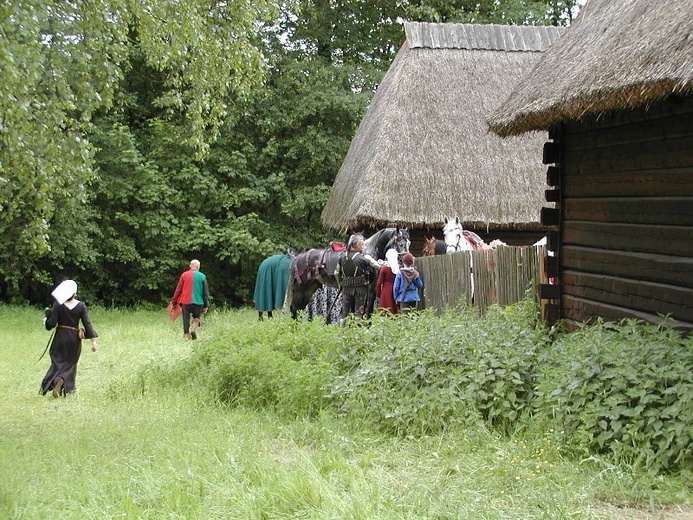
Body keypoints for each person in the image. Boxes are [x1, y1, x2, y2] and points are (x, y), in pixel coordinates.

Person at [40, 279, 98, 398]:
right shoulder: (81, 305)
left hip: (60, 337)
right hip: (74, 339)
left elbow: (51, 325)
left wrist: (46, 320)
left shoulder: (58, 304)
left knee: (57, 361)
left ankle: (57, 380)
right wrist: (93, 342)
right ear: (74, 293)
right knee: (70, 363)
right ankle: (62, 382)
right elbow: (88, 324)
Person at [335, 234, 379, 325]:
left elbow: (336, 273)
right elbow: (378, 267)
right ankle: (357, 332)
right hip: (360, 289)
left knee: (344, 311)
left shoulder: (342, 257)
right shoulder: (362, 258)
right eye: (362, 244)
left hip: (346, 287)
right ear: (356, 245)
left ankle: (341, 331)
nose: (363, 246)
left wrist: (339, 283)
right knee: (359, 311)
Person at [253, 248, 295, 320]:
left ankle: (269, 315)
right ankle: (261, 316)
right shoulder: (289, 265)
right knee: (265, 288)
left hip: (269, 265)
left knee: (269, 288)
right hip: (266, 267)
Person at [171, 259, 209, 339]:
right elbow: (205, 293)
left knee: (186, 318)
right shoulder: (202, 276)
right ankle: (193, 329)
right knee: (196, 317)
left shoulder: (184, 275)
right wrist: (206, 305)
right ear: (198, 267)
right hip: (198, 302)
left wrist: (174, 301)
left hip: (185, 301)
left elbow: (178, 290)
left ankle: (186, 335)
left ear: (190, 266)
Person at [374, 248, 399, 315]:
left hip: (386, 291)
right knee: (395, 311)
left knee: (386, 311)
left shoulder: (384, 268)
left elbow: (379, 283)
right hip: (396, 290)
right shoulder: (398, 267)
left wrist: (378, 294)